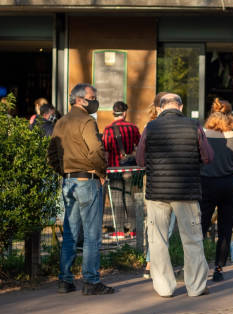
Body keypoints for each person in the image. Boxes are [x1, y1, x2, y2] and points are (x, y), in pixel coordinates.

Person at [136, 93, 213, 297]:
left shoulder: (150, 128)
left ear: (161, 108)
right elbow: (208, 156)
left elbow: (140, 159)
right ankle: (196, 287)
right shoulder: (194, 125)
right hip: (187, 191)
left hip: (157, 193)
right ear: (180, 107)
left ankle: (164, 287)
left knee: (158, 239)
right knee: (192, 239)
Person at [47, 83, 114, 295]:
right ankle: (91, 281)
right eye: (92, 97)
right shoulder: (86, 121)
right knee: (92, 234)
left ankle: (65, 279)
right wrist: (101, 172)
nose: (95, 100)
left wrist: (64, 172)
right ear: (79, 100)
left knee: (70, 232)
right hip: (88, 180)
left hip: (69, 181)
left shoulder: (60, 122)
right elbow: (96, 149)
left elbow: (52, 154)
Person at [200, 98, 233, 282]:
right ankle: (219, 268)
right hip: (228, 184)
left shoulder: (202, 135)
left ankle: (197, 265)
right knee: (225, 228)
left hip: (206, 183)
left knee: (200, 226)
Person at [142, 92, 174, 278]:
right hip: (166, 182)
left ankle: (151, 263)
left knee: (157, 224)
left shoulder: (149, 127)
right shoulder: (154, 126)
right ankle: (152, 263)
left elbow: (142, 155)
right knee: (164, 226)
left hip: (154, 181)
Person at [102, 101, 142, 234]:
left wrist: (104, 169)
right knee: (129, 197)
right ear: (124, 113)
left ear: (113, 113)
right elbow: (140, 146)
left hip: (114, 168)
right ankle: (133, 229)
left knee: (116, 198)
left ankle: (119, 230)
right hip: (130, 169)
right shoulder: (133, 128)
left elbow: (105, 151)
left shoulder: (108, 129)